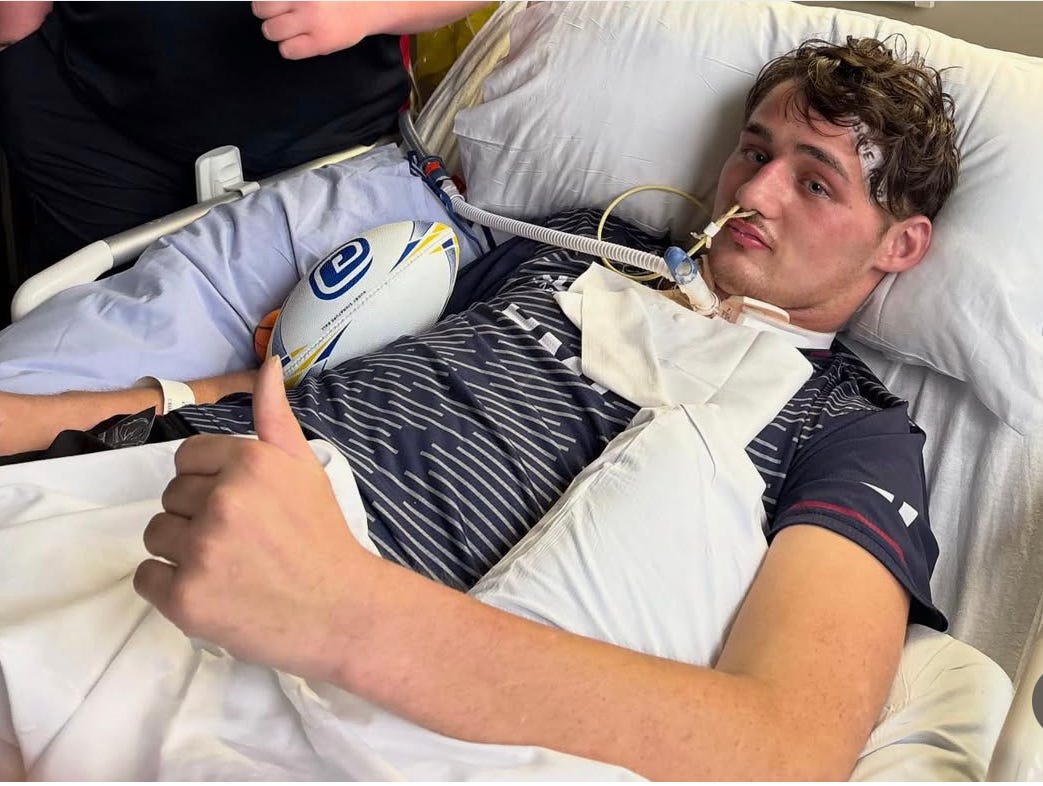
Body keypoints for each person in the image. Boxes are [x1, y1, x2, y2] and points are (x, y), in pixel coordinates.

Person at [0, 36, 960, 780]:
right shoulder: (578, 245)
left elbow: (785, 746)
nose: (753, 190)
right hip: (150, 483)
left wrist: (344, 611)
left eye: (814, 181)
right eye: (753, 150)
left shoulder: (850, 427)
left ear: (900, 245)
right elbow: (312, 379)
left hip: (299, 661)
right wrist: (65, 418)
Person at [0, 1, 488, 280]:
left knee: (288, 377)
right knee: (89, 366)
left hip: (318, 156)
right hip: (92, 126)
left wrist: (372, 6)